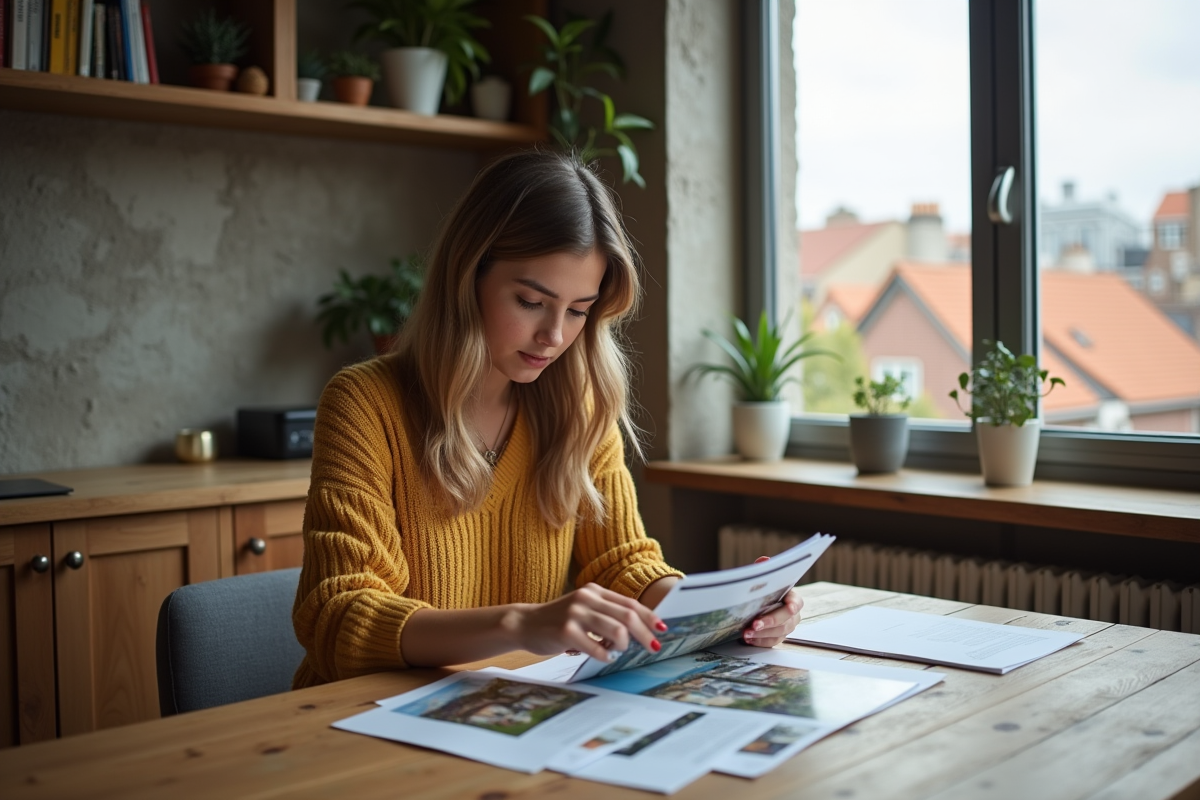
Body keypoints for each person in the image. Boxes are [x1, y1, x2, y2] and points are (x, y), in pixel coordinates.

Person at [291, 150, 803, 688]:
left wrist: (727, 610)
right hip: (360, 722)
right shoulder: (365, 404)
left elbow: (621, 565)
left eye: (579, 310)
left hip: (502, 713)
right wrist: (521, 624)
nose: (555, 336)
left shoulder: (577, 406)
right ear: (467, 279)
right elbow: (340, 615)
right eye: (531, 301)